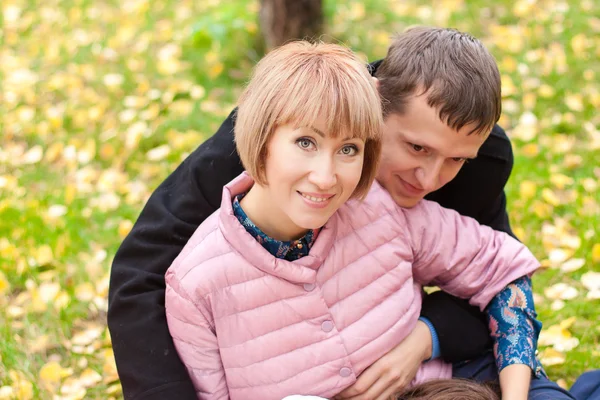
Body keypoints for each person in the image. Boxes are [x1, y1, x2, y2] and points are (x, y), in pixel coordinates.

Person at [107, 28, 572, 400]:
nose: (431, 179)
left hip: (445, 372)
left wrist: (424, 337)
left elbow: (497, 273)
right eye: (415, 148)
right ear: (371, 105)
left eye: (454, 160)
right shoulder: (265, 137)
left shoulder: (475, 158)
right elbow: (140, 274)